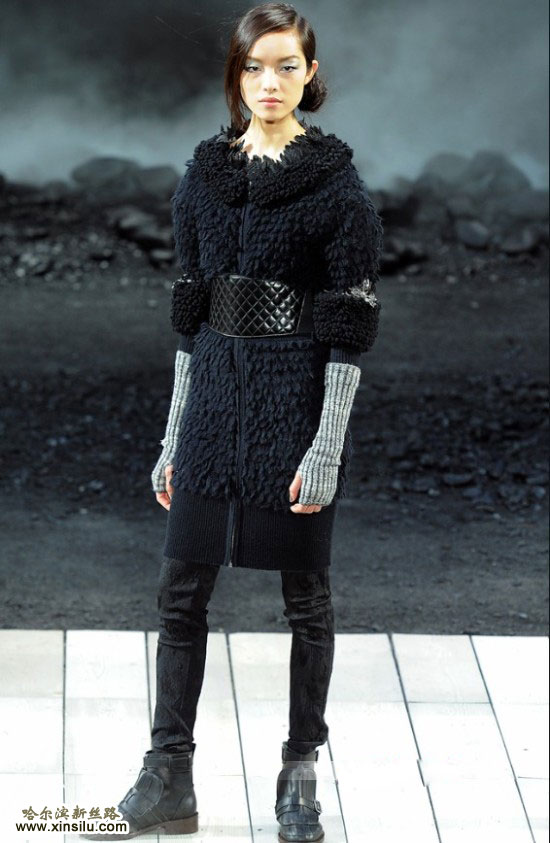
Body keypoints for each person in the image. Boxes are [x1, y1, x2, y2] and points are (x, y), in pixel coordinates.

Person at [83, 3, 383, 841]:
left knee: (306, 599)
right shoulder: (204, 178)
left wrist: (327, 447)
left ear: (310, 75)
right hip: (213, 401)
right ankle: (167, 773)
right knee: (180, 592)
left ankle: (300, 773)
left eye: (287, 66)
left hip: (294, 401)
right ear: (237, 74)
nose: (269, 83)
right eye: (255, 67)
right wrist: (171, 436)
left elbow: (350, 326)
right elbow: (189, 317)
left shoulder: (338, 190)